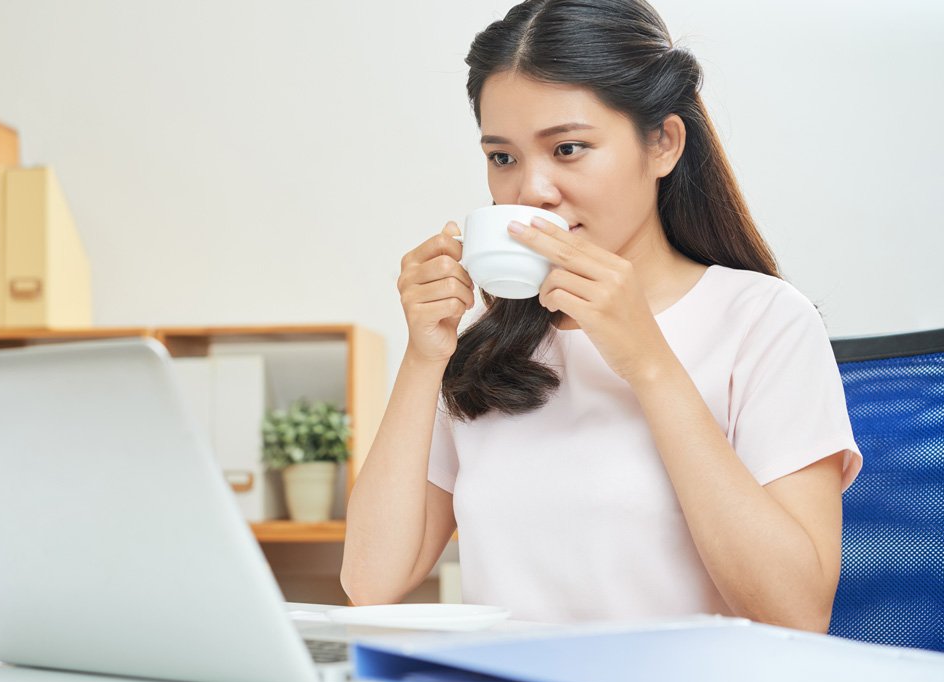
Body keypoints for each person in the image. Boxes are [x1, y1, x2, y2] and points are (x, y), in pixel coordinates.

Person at [340, 0, 862, 633]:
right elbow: (370, 581)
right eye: (502, 157)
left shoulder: (763, 322)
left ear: (663, 143)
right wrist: (425, 356)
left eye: (568, 148)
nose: (532, 190)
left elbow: (796, 613)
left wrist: (647, 361)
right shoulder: (486, 351)